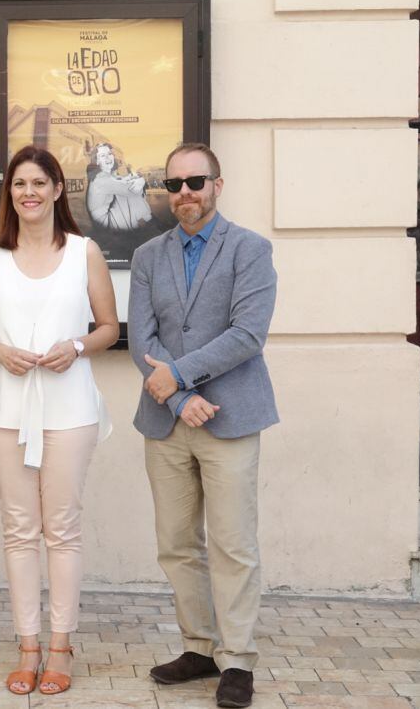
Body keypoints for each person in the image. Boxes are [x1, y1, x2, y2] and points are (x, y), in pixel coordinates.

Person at [128, 143, 278, 709]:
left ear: (218, 183)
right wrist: (179, 396)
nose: (185, 193)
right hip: (167, 421)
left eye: (195, 182)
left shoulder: (250, 250)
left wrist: (181, 379)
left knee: (234, 544)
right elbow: (142, 339)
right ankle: (198, 646)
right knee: (176, 544)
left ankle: (237, 660)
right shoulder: (146, 256)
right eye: (174, 185)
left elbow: (247, 334)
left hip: (232, 416)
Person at [0, 145, 117, 696]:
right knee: (19, 529)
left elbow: (108, 326)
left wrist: (75, 346)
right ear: (11, 194)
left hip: (70, 407)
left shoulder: (84, 252)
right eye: (19, 184)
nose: (28, 193)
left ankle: (60, 644)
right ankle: (27, 643)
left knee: (63, 528)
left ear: (58, 189)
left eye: (39, 183)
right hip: (7, 408)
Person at [86, 142, 152, 231]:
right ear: (97, 161)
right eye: (102, 155)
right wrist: (141, 181)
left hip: (104, 216)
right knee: (128, 195)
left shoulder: (104, 175)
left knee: (125, 194)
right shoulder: (101, 178)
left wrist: (136, 178)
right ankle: (147, 222)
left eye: (109, 154)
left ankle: (146, 220)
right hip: (104, 221)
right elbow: (134, 190)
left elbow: (120, 179)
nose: (108, 157)